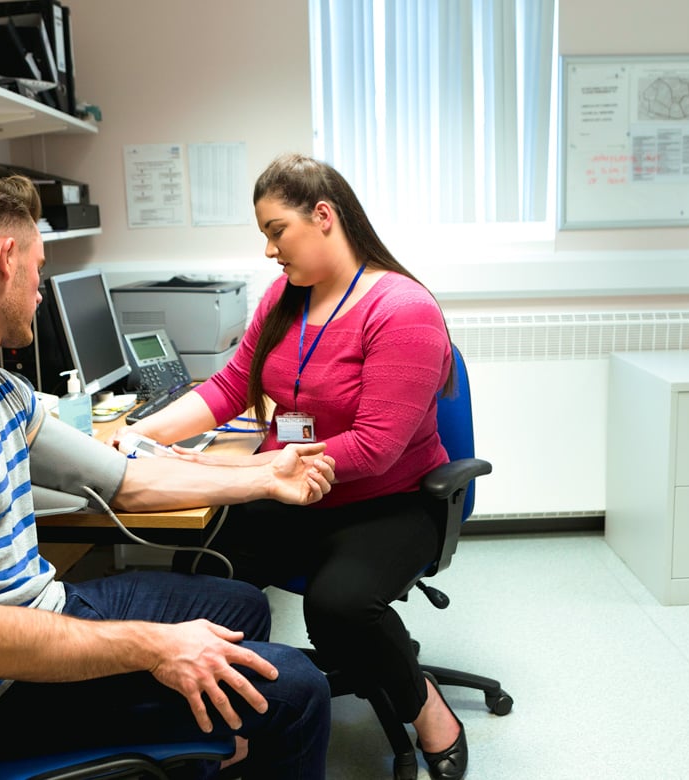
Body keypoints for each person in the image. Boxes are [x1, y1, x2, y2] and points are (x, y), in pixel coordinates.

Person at [0, 167, 338, 778]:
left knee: (240, 606)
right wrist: (156, 647)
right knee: (299, 689)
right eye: (38, 269)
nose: (40, 292)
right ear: (6, 259)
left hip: (43, 609)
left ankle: (192, 756)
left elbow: (123, 481)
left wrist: (265, 479)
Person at [110, 153, 468, 779]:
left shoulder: (402, 309)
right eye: (265, 235)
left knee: (338, 608)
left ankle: (426, 706)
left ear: (323, 216)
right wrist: (137, 434)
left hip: (389, 500)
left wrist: (246, 473)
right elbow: (230, 386)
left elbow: (376, 447)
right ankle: (235, 713)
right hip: (290, 490)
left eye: (277, 230)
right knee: (203, 567)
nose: (270, 250)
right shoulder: (284, 297)